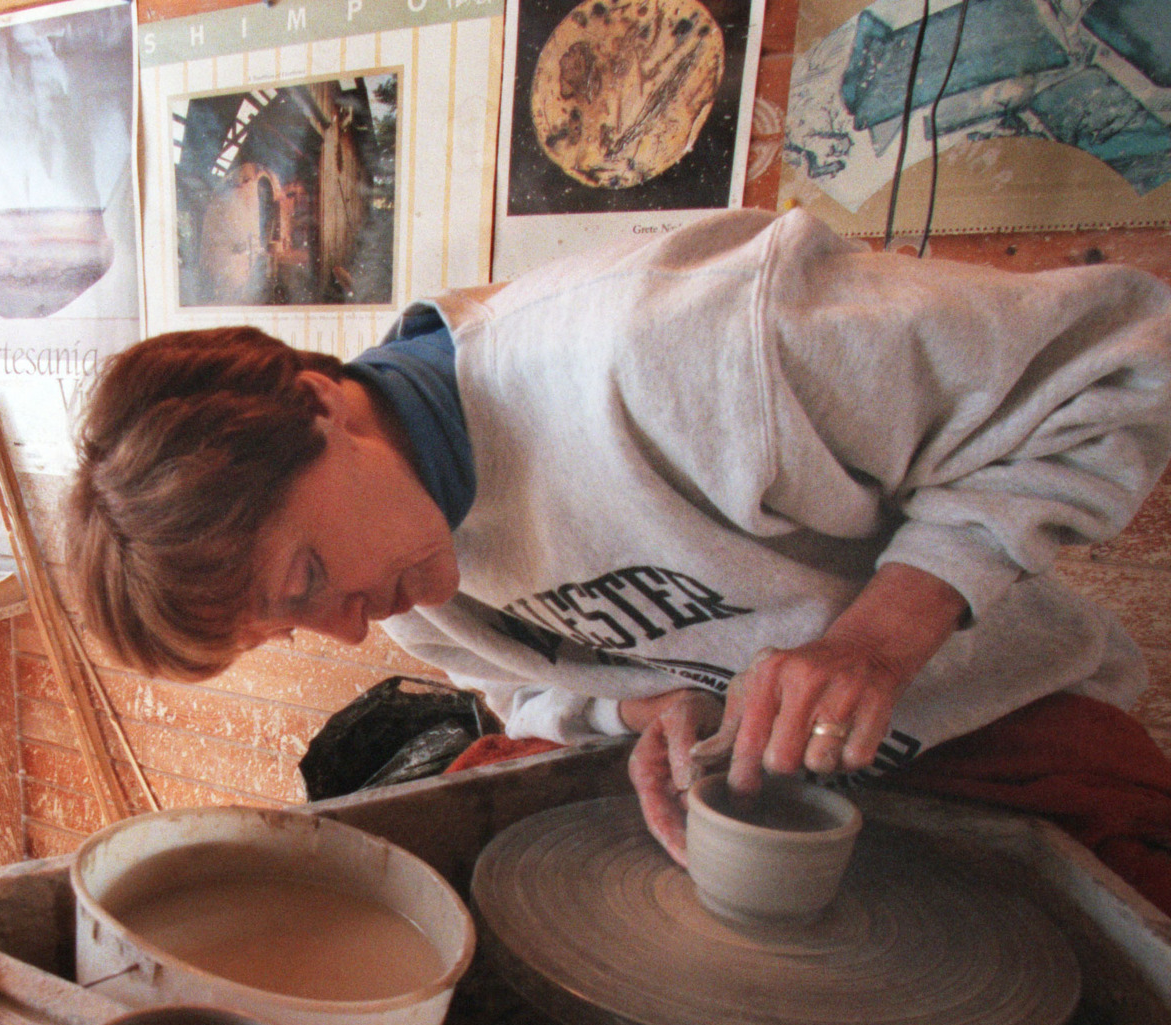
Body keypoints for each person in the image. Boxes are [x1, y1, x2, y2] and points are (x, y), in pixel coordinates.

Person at [67, 209, 1171, 902]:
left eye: (305, 580)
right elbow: (522, 697)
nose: (350, 630)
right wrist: (638, 718)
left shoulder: (668, 348)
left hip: (1001, 739)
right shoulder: (397, 582)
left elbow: (1117, 360)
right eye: (292, 625)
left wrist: (876, 640)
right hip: (743, 794)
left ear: (318, 406)